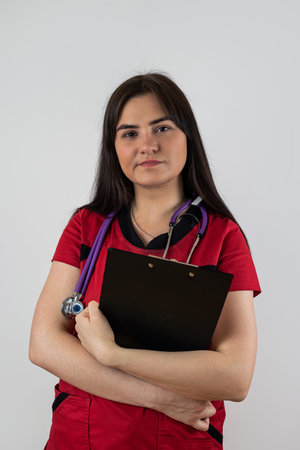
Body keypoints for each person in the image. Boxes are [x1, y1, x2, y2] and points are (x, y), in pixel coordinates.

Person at [29, 72, 261, 450]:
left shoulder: (223, 238)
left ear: (188, 137)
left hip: (179, 440)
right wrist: (162, 398)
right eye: (129, 133)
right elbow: (43, 344)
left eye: (162, 128)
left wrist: (111, 354)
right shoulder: (86, 227)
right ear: (114, 148)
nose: (147, 145)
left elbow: (235, 377)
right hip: (82, 436)